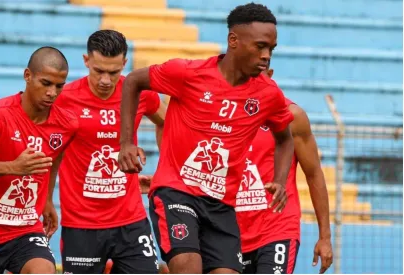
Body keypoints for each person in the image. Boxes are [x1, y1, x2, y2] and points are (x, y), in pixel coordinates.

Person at [118, 3, 296, 274]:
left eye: (271, 49)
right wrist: (127, 142)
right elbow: (133, 81)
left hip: (221, 205)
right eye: (260, 46)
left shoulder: (268, 94)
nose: (266, 55)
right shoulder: (187, 73)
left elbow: (285, 138)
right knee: (188, 266)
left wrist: (280, 181)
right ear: (233, 40)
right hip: (177, 191)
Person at [0, 46, 79, 274]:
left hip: (25, 229)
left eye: (59, 86)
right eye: (46, 83)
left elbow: (54, 158)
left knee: (43, 270)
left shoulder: (66, 124)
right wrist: (13, 167)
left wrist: (47, 199)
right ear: (27, 76)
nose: (52, 93)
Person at [54, 30, 166, 274]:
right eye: (98, 71)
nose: (105, 80)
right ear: (86, 61)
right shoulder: (64, 99)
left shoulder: (140, 94)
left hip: (131, 221)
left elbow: (168, 121)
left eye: (114, 72)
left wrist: (167, 168)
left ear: (124, 64)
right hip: (81, 224)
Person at [237, 62, 334, 274]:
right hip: (230, 232)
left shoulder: (292, 117)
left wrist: (325, 237)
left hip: (277, 229)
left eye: (257, 73)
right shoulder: (224, 114)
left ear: (270, 75)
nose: (251, 79)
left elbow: (314, 174)